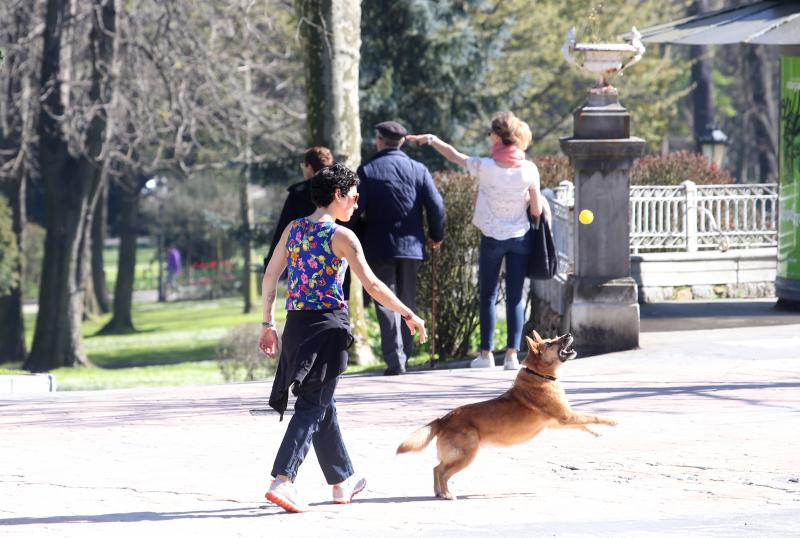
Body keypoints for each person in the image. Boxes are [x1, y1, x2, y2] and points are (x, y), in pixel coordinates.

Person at [259, 162, 427, 513]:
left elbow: (271, 275)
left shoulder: (293, 229)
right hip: (328, 329)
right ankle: (282, 480)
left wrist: (267, 324)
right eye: (352, 197)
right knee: (312, 406)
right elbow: (374, 285)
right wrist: (408, 314)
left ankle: (342, 481)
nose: (356, 203)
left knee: (323, 404)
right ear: (336, 196)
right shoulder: (342, 236)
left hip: (296, 327)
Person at [407, 111, 543, 370]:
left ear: (496, 136)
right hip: (520, 236)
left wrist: (432, 139)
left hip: (491, 237)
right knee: (515, 297)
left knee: (488, 295)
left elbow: (454, 156)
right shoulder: (529, 170)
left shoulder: (486, 167)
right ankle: (513, 356)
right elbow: (535, 211)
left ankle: (486, 354)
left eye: (489, 133)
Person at [355, 120, 445, 376]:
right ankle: (406, 352)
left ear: (380, 141)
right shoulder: (418, 169)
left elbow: (354, 210)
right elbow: (436, 205)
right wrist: (435, 235)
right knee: (408, 300)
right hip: (411, 246)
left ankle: (396, 360)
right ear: (403, 141)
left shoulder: (368, 170)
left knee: (385, 302)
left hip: (378, 246)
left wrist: (354, 236)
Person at [264, 147, 334, 270]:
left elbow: (283, 228)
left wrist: (270, 263)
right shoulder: (339, 192)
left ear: (309, 167)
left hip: (306, 259)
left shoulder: (298, 194)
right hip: (336, 253)